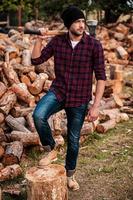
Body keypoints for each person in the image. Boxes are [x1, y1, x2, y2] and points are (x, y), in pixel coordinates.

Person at [31, 5, 106, 191]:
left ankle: (70, 176)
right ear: (68, 25)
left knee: (73, 141)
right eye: (77, 21)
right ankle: (51, 149)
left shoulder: (94, 45)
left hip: (80, 98)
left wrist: (95, 106)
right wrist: (39, 40)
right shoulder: (57, 42)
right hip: (59, 91)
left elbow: (101, 77)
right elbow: (36, 60)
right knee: (38, 116)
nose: (82, 25)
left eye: (83, 21)